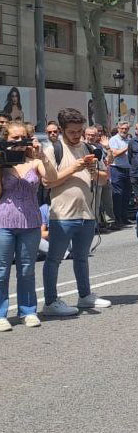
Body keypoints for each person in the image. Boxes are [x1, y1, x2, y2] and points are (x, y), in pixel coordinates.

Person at [41, 108, 111, 316]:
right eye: (72, 132)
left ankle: (85, 296)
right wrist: (75, 168)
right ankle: (51, 301)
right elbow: (47, 182)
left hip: (87, 213)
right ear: (61, 130)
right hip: (63, 214)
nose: (77, 135)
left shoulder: (87, 146)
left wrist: (94, 171)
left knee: (82, 257)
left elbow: (103, 179)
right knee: (54, 259)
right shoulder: (53, 150)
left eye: (79, 130)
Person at [0, 121, 57, 329]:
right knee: (1, 270)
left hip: (31, 222)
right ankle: (0, 314)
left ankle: (28, 310)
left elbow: (51, 179)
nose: (18, 142)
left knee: (26, 269)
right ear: (5, 139)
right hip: (3, 221)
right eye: (13, 138)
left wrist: (41, 155)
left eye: (22, 137)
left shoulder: (34, 162)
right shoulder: (2, 163)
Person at [108, 121, 132, 227]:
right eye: (122, 128)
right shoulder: (114, 139)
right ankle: (117, 218)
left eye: (126, 128)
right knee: (118, 194)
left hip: (128, 169)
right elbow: (115, 153)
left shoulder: (129, 140)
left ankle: (124, 217)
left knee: (127, 194)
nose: (124, 130)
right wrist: (128, 147)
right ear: (118, 129)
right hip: (117, 169)